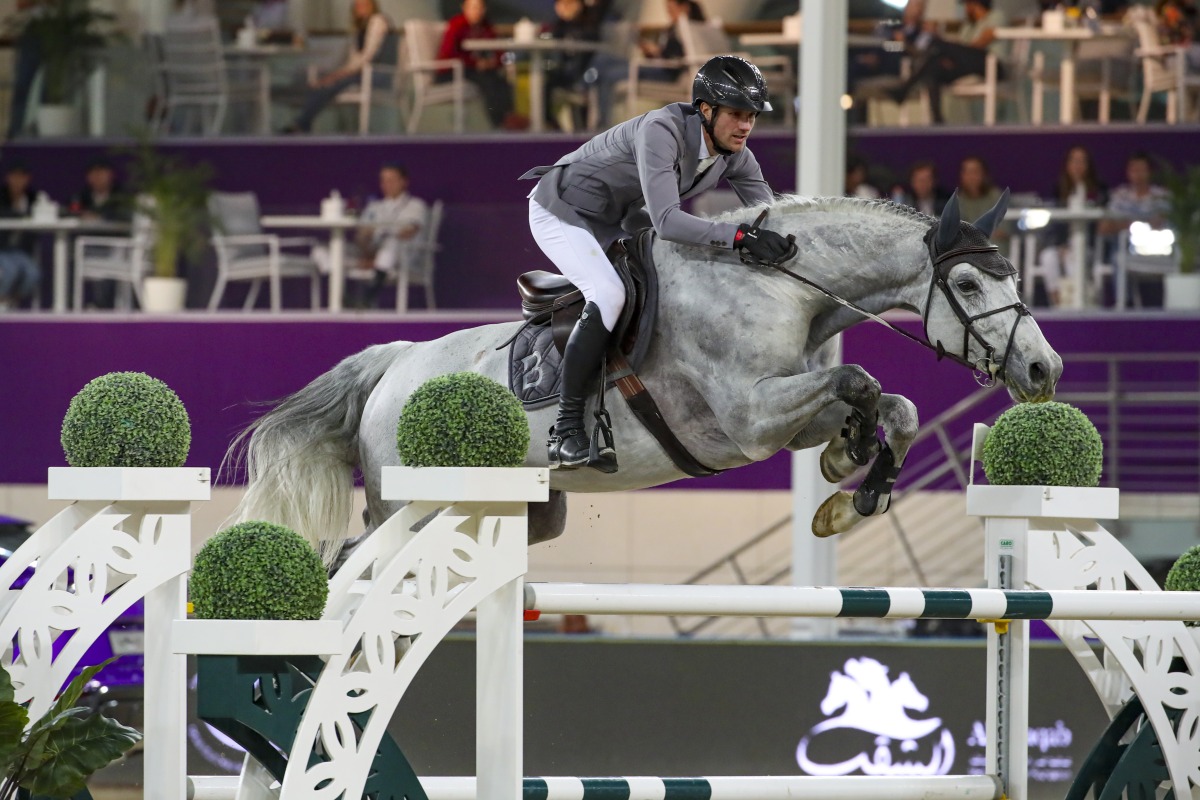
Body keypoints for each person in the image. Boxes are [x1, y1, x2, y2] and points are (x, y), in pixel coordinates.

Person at [521, 56, 791, 471]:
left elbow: (771, 215)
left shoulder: (733, 154)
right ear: (706, 109)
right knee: (608, 294)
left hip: (613, 218)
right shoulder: (661, 130)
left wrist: (787, 245)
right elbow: (667, 222)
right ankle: (566, 429)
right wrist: (739, 237)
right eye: (736, 114)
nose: (745, 126)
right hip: (562, 211)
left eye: (751, 116)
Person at [585, 0, 706, 129]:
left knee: (609, 74)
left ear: (684, 8)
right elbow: (669, 54)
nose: (669, 13)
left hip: (664, 71)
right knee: (603, 59)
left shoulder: (687, 29)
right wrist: (654, 52)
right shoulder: (674, 29)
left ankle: (602, 124)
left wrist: (659, 55)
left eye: (671, 9)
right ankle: (584, 86)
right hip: (657, 65)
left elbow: (679, 59)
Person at [888, 0, 1008, 124]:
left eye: (968, 5)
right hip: (969, 65)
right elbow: (962, 48)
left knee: (938, 44)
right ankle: (937, 120)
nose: (966, 9)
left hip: (991, 66)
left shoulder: (995, 17)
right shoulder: (969, 25)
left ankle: (905, 88)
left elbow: (980, 43)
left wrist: (953, 51)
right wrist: (952, 55)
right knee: (935, 68)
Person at [283, 0, 392, 133]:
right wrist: (334, 75)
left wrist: (338, 76)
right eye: (357, 5)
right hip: (359, 73)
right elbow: (354, 61)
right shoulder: (359, 29)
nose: (360, 8)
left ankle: (301, 123)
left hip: (378, 74)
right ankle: (303, 122)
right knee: (321, 82)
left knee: (332, 82)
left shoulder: (378, 21)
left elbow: (367, 57)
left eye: (364, 4)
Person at [1034, 146, 1108, 305]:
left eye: (1082, 161)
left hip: (1089, 246)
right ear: (1067, 165)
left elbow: (1099, 225)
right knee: (1048, 257)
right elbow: (1053, 224)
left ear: (1089, 166)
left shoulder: (1100, 191)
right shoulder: (1058, 190)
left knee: (1072, 258)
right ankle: (1057, 303)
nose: (1078, 166)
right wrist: (1059, 245)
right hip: (1061, 245)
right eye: (1074, 161)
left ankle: (1077, 303)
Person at [438, 0, 525, 130]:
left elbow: (497, 51)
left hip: (474, 69)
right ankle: (499, 122)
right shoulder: (457, 25)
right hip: (451, 71)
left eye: (479, 7)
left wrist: (493, 62)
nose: (476, 11)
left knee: (500, 80)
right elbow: (448, 54)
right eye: (473, 7)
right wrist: (475, 63)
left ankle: (509, 116)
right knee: (487, 80)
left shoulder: (485, 27)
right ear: (464, 8)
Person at [350, 163, 429, 307]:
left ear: (404, 182)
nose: (387, 184)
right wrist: (367, 250)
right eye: (384, 180)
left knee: (390, 246)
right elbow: (361, 235)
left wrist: (379, 245)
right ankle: (342, 302)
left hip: (405, 257)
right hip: (371, 254)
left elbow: (408, 232)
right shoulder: (374, 207)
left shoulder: (416, 205)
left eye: (391, 180)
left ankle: (367, 299)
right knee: (328, 252)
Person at [70, 157, 132, 309]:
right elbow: (71, 210)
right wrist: (81, 214)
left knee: (109, 257)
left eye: (101, 172)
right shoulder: (82, 195)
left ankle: (102, 306)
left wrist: (101, 216)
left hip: (117, 245)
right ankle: (70, 306)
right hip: (90, 245)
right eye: (93, 173)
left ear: (110, 174)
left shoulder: (121, 195)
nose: (97, 177)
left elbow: (125, 215)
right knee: (72, 254)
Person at [542, 0, 601, 130]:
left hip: (586, 75)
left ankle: (582, 131)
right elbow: (555, 50)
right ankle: (551, 125)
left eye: (569, 3)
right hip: (566, 74)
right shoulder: (559, 26)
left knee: (579, 98)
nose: (565, 8)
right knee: (545, 84)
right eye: (561, 4)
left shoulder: (590, 24)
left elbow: (589, 54)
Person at [0, 163, 40, 309]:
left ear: (27, 179)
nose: (17, 181)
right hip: (2, 249)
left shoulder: (33, 197)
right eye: (14, 176)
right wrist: (20, 215)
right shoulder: (2, 196)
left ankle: (10, 302)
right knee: (10, 271)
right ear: (8, 178)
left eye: (21, 177)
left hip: (20, 251)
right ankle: (2, 302)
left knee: (32, 274)